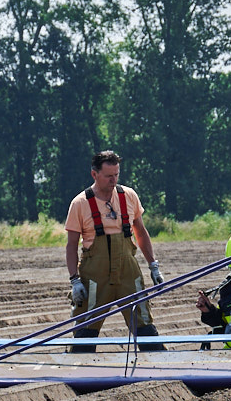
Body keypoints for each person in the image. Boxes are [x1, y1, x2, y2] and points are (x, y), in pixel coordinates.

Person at [63, 150, 162, 352]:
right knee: (85, 330)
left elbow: (141, 232)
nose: (113, 180)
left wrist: (153, 266)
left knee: (144, 324)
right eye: (108, 176)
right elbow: (71, 245)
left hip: (128, 273)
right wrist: (74, 280)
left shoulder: (129, 196)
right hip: (95, 277)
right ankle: (80, 368)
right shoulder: (80, 203)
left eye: (116, 174)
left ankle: (158, 364)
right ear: (94, 174)